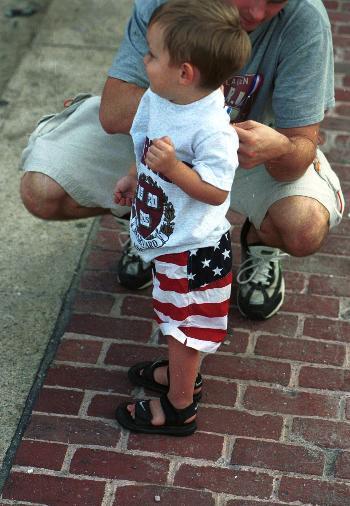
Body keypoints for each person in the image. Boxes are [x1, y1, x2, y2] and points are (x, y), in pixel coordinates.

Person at [20, 0, 345, 322]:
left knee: (304, 227)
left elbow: (299, 150)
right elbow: (115, 110)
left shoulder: (306, 20)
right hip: (159, 139)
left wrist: (281, 149)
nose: (257, 13)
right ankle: (148, 220)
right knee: (42, 191)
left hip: (247, 152)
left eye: (275, 1)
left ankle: (259, 242)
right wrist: (198, 132)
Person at [113, 0, 250, 435]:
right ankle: (179, 375)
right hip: (172, 240)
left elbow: (216, 191)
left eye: (153, 55)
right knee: (173, 316)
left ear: (185, 72)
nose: (144, 60)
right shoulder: (160, 96)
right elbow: (146, 143)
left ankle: (178, 406)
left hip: (196, 250)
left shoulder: (212, 129)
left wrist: (175, 170)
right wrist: (136, 175)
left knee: (184, 328)